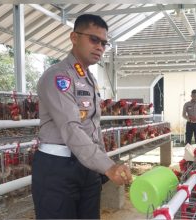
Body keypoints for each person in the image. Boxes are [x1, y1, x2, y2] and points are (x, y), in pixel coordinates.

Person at [32, 14, 132, 219]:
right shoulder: (58, 77)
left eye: (104, 43)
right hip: (58, 169)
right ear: (74, 38)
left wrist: (101, 166)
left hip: (87, 166)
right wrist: (108, 166)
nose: (100, 47)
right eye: (94, 39)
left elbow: (94, 127)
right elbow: (71, 128)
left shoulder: (89, 78)